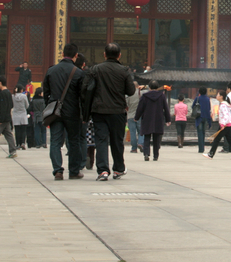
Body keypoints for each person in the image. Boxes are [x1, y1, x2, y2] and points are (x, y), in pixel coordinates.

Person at [82, 42, 135, 180]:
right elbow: (131, 91)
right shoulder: (124, 71)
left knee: (101, 140)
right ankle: (118, 169)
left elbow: (85, 88)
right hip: (117, 111)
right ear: (119, 55)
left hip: (99, 111)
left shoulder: (95, 69)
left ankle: (102, 171)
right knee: (117, 141)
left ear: (104, 55)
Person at [41, 43, 85, 180]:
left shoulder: (51, 71)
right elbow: (82, 95)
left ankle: (57, 170)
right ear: (76, 56)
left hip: (55, 112)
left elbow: (46, 93)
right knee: (73, 141)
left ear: (62, 54)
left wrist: (50, 106)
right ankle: (74, 171)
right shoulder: (78, 73)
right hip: (73, 112)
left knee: (55, 141)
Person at [135, 80, 171, 162]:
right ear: (157, 87)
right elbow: (166, 108)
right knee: (156, 138)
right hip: (158, 119)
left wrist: (136, 117)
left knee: (147, 137)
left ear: (149, 87)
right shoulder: (161, 96)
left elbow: (140, 108)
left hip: (147, 119)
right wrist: (168, 119)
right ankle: (155, 155)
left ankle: (146, 154)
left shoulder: (144, 96)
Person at [204, 90, 231, 160]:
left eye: (218, 95)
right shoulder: (225, 104)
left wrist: (223, 124)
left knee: (217, 139)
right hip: (228, 124)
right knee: (230, 140)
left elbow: (226, 116)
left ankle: (211, 154)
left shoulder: (223, 105)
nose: (216, 96)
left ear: (221, 96)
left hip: (225, 125)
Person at [192, 87, 212, 154]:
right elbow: (209, 109)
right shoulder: (207, 99)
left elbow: (193, 106)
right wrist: (209, 121)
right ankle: (202, 147)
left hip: (199, 117)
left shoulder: (197, 98)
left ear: (199, 92)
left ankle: (201, 149)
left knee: (200, 133)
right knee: (203, 133)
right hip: (205, 118)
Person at [12, 84, 30, 150]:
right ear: (21, 90)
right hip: (23, 114)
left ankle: (18, 144)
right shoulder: (24, 96)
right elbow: (27, 105)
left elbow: (12, 105)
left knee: (17, 131)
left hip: (16, 114)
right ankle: (23, 143)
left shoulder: (13, 96)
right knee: (23, 130)